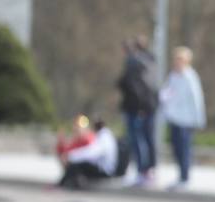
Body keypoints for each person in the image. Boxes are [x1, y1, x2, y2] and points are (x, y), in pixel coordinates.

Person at [160, 46, 206, 191]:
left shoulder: (190, 77)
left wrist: (199, 120)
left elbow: (196, 99)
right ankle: (180, 176)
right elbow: (168, 93)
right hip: (174, 118)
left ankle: (185, 177)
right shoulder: (174, 75)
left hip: (186, 121)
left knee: (185, 149)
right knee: (176, 149)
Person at [116, 37, 159, 187]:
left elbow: (133, 87)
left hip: (137, 108)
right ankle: (149, 171)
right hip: (148, 106)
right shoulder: (151, 62)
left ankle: (143, 171)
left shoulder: (134, 63)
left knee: (138, 140)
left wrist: (140, 107)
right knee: (147, 139)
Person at [58, 118, 120, 190]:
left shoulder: (103, 137)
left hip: (104, 170)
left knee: (75, 164)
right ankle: (70, 182)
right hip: (101, 167)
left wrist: (71, 156)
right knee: (77, 163)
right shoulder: (104, 135)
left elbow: (92, 153)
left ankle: (62, 184)